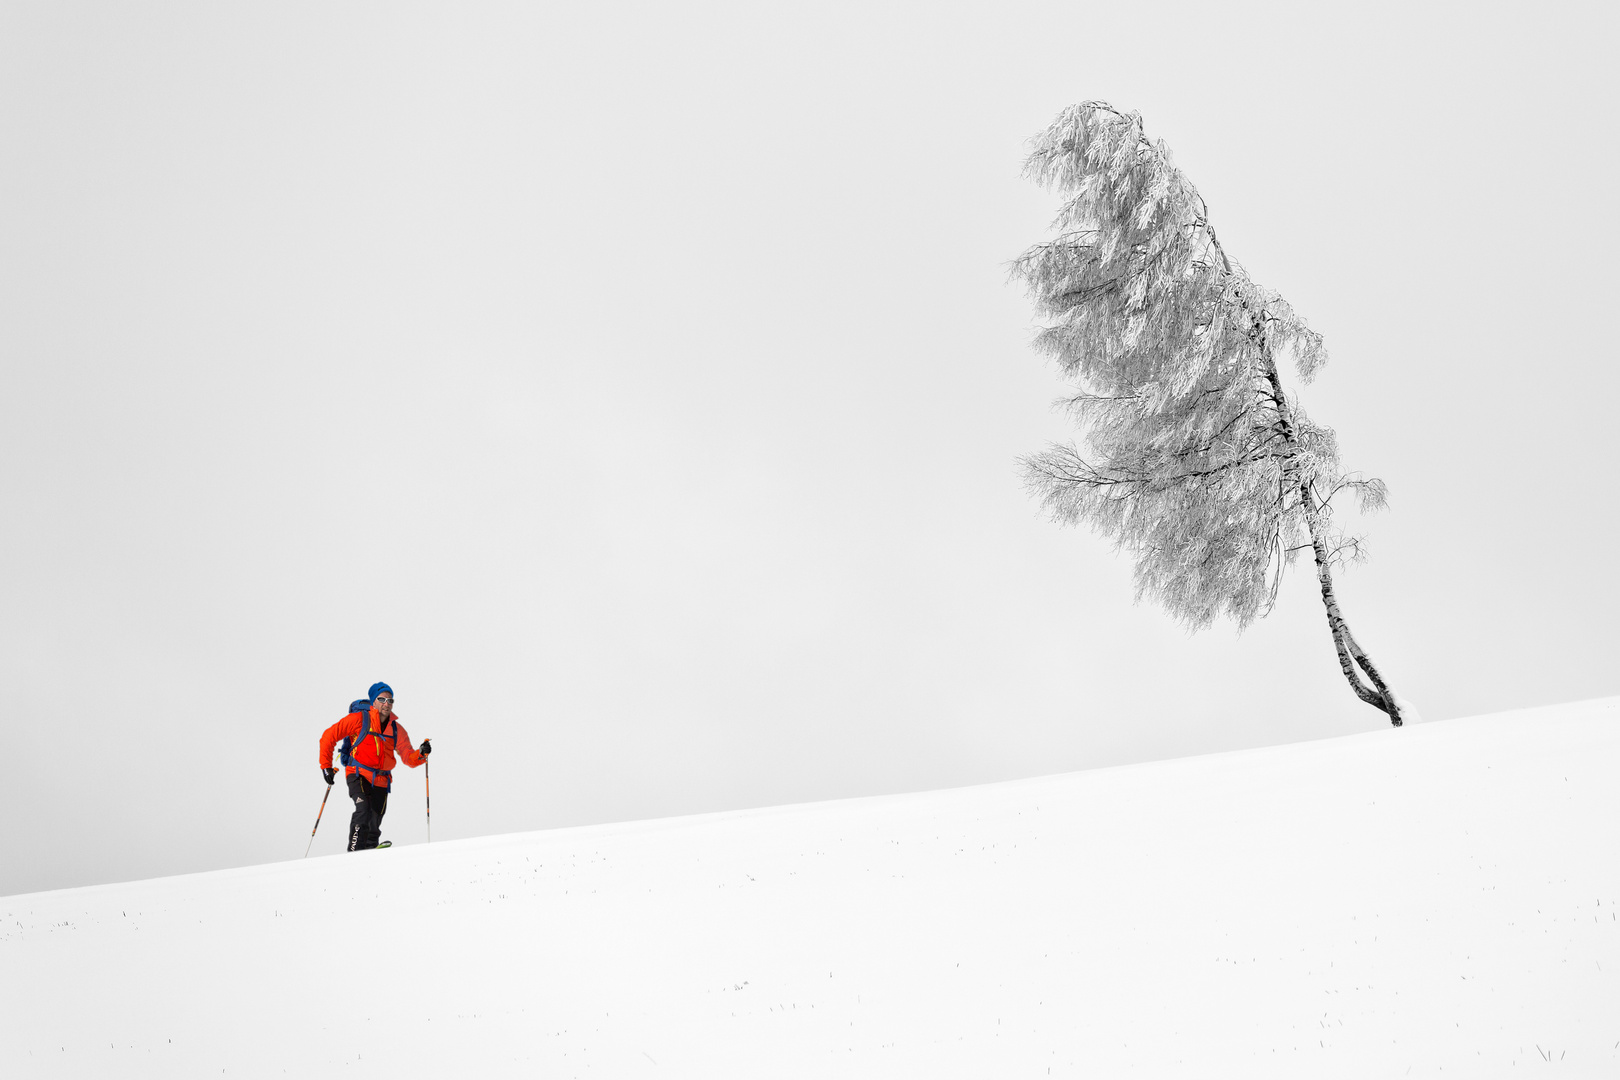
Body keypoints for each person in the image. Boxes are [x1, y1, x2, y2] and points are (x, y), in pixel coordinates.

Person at [318, 682, 431, 851]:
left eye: (390, 700)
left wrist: (421, 753)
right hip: (358, 774)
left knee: (375, 819)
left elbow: (408, 757)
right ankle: (355, 850)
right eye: (382, 699)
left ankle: (371, 850)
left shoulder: (396, 729)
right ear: (374, 702)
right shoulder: (358, 720)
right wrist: (326, 766)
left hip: (382, 780)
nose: (387, 703)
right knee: (363, 808)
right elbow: (329, 736)